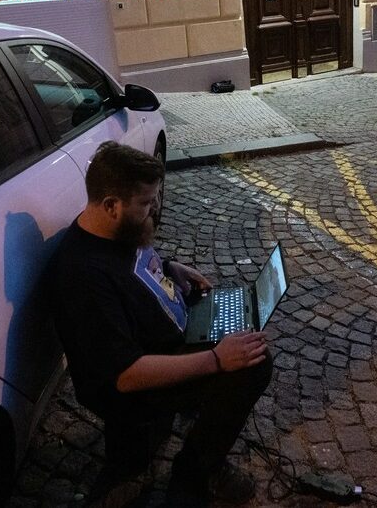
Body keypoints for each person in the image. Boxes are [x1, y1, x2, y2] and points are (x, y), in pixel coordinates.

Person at [44, 141, 272, 508]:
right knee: (252, 365)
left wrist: (169, 270)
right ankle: (195, 472)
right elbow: (125, 375)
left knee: (235, 334)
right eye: (147, 204)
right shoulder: (83, 277)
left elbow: (136, 270)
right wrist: (216, 360)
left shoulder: (113, 231)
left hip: (160, 335)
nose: (155, 211)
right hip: (132, 384)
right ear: (111, 206)